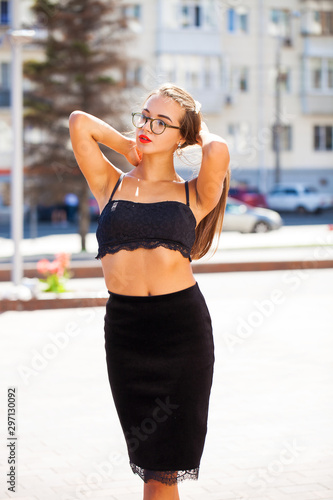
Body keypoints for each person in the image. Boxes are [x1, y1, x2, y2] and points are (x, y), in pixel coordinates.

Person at [69, 83, 230, 500]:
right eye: (145, 117)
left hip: (181, 333)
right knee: (151, 470)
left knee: (162, 474)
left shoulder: (191, 194)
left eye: (163, 123)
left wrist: (198, 128)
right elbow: (79, 123)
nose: (149, 127)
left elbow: (217, 152)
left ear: (183, 137)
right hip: (125, 333)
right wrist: (125, 144)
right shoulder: (111, 184)